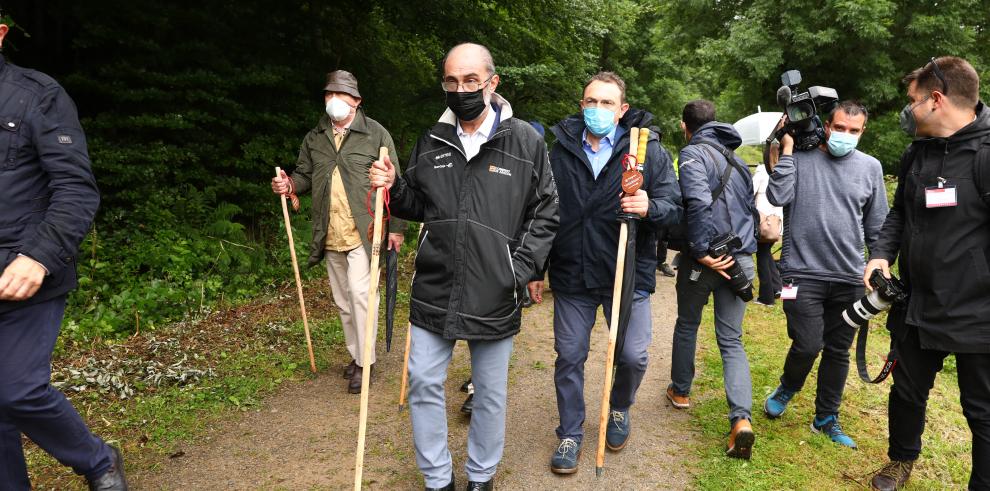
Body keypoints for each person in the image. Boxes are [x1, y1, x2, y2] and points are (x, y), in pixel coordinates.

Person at [369, 43, 558, 491]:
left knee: (489, 395)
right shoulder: (431, 139)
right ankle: (438, 479)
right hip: (437, 283)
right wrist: (392, 186)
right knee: (422, 383)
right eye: (451, 81)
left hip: (495, 288)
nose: (461, 90)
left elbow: (546, 210)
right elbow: (416, 202)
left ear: (493, 83)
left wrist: (518, 270)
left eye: (471, 81)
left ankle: (480, 477)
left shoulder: (526, 142)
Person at [0, 17, 128, 491]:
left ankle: (97, 460)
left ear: (1, 33)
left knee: (15, 390)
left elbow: (76, 190)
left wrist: (38, 256)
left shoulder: (39, 95)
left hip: (28, 272)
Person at [542, 72, 682, 474]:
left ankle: (618, 407)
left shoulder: (646, 151)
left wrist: (648, 207)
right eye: (590, 102)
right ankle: (570, 432)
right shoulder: (560, 149)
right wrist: (537, 268)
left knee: (634, 356)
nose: (597, 110)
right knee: (569, 355)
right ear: (581, 104)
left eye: (606, 103)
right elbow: (543, 209)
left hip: (627, 270)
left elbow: (675, 208)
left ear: (622, 110)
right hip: (572, 271)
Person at [866, 56, 990, 491]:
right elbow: (898, 214)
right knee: (905, 393)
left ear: (936, 100)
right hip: (917, 306)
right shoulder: (917, 151)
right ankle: (900, 462)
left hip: (978, 315)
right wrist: (881, 255)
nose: (908, 110)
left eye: (913, 101)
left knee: (983, 413)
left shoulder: (986, 155)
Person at [761, 101, 888, 450]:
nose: (845, 135)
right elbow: (777, 195)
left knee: (838, 350)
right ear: (827, 126)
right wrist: (786, 150)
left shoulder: (870, 167)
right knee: (807, 343)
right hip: (799, 272)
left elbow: (877, 225)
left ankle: (826, 418)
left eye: (854, 130)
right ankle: (788, 385)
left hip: (849, 276)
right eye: (840, 128)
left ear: (863, 132)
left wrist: (878, 263)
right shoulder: (799, 160)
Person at [271, 70, 405, 394]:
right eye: (329, 95)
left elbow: (396, 184)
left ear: (357, 101)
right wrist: (289, 184)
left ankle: (365, 363)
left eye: (342, 95)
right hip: (330, 231)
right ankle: (356, 354)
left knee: (362, 296)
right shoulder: (315, 137)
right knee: (344, 301)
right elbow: (305, 175)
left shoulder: (376, 134)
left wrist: (397, 229)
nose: (335, 101)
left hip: (366, 230)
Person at [667, 99, 757, 459]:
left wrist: (702, 250)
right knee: (732, 341)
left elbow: (698, 202)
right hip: (740, 260)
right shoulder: (738, 161)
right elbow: (750, 210)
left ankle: (681, 391)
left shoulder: (692, 155)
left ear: (684, 125)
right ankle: (741, 421)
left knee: (687, 324)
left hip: (706, 259)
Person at [751, 163, 782, 305]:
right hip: (776, 223)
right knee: (766, 253)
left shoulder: (762, 171)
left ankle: (766, 297)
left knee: (762, 256)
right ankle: (776, 287)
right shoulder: (784, 171)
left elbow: (749, 191)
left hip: (763, 222)